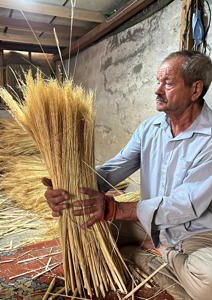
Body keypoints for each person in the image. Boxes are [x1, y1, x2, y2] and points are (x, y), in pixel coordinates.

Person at [43, 50, 212, 300]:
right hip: (148, 225)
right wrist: (68, 185)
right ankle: (154, 247)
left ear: (195, 90)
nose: (157, 90)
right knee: (85, 229)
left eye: (167, 83)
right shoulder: (149, 129)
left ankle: (159, 251)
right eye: (157, 81)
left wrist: (116, 210)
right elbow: (113, 169)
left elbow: (184, 204)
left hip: (195, 234)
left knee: (208, 283)